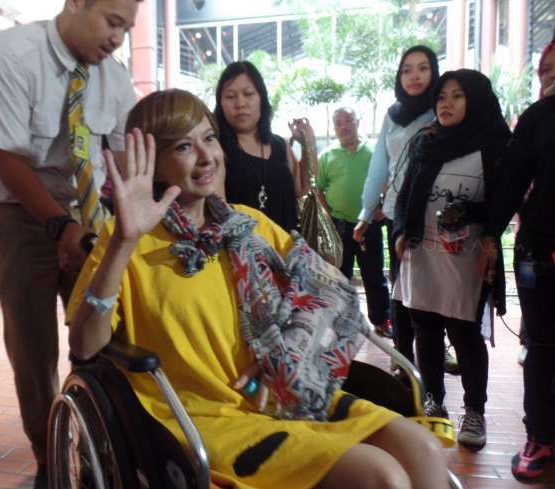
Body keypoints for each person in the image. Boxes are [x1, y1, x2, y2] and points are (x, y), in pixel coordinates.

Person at [66, 88, 451, 489]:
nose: (206, 156)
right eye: (183, 145)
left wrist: (288, 354)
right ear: (155, 165)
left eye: (209, 138)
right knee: (382, 476)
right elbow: (86, 345)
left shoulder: (250, 225)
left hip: (282, 394)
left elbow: (333, 292)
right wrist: (125, 242)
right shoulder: (125, 241)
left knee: (422, 447)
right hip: (201, 418)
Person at [0, 1, 141, 486]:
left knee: (109, 338)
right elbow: (6, 158)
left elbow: (127, 161)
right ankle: (52, 461)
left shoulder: (115, 79)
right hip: (21, 218)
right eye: (112, 22)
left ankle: (108, 450)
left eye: (127, 28)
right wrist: (58, 226)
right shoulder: (10, 55)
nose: (118, 38)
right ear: (77, 3)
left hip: (89, 218)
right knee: (32, 348)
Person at [393, 69, 510, 449]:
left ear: (474, 101)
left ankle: (474, 410)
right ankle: (434, 402)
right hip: (421, 254)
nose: (446, 103)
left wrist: (470, 217)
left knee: (464, 334)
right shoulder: (427, 144)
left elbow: (502, 205)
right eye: (442, 96)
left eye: (457, 96)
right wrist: (398, 233)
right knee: (424, 329)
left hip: (466, 259)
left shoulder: (494, 147)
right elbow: (403, 196)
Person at [479, 37, 555, 481]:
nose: (549, 75)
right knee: (542, 346)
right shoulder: (537, 118)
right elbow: (511, 180)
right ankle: (539, 434)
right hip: (539, 255)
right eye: (545, 68)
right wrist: (490, 235)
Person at [353, 46, 440, 372]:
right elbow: (379, 166)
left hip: (434, 215)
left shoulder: (440, 109)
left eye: (422, 68)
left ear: (433, 71)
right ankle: (402, 359)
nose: (414, 76)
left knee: (430, 293)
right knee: (401, 291)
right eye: (407, 69)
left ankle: (433, 350)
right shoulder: (393, 114)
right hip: (396, 216)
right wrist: (365, 212)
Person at [317, 107, 391, 338]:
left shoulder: (374, 152)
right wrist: (329, 217)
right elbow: (319, 188)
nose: (344, 125)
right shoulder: (327, 155)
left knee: (374, 275)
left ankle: (381, 321)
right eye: (338, 122)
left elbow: (390, 180)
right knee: (339, 276)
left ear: (358, 121)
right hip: (339, 227)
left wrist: (383, 207)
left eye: (348, 119)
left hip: (369, 225)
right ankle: (340, 322)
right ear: (334, 127)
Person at [214, 61, 314, 232]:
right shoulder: (215, 149)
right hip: (240, 254)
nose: (240, 103)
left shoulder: (280, 146)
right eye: (230, 97)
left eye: (248, 94)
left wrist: (308, 146)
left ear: (261, 98)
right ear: (220, 104)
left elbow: (303, 190)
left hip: (286, 250)